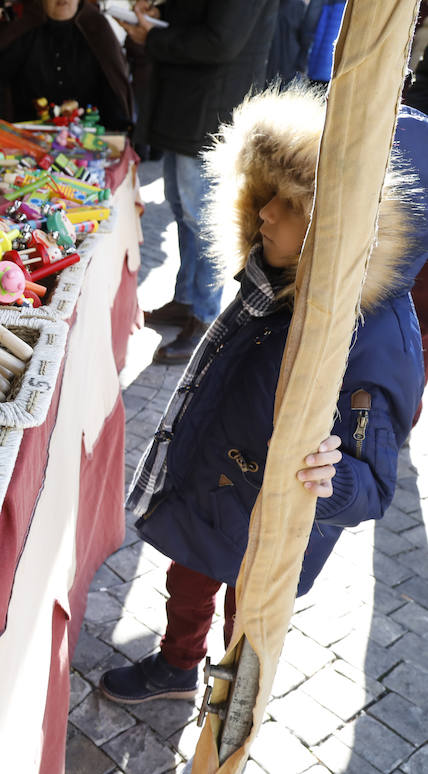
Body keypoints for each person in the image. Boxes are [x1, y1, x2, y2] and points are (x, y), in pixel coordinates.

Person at [98, 86, 426, 704]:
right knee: (188, 576)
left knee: (245, 618)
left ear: (345, 224)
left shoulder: (379, 340)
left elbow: (373, 486)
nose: (267, 215)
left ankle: (228, 713)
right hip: (212, 479)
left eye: (291, 204)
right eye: (266, 197)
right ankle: (176, 663)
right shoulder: (275, 275)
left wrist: (335, 478)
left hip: (267, 516)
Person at [121, 0, 279, 365]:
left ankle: (205, 316)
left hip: (211, 106)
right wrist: (161, 21)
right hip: (190, 103)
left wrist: (155, 39)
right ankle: (188, 299)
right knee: (181, 206)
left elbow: (221, 42)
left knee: (202, 216)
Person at [0, 0, 133, 131]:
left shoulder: (97, 28)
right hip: (30, 133)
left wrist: (117, 130)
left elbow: (113, 86)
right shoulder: (24, 30)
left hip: (88, 131)